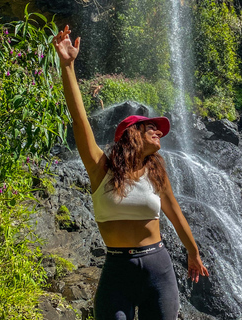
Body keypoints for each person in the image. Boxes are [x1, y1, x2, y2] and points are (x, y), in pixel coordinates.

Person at [53, 25, 209, 320]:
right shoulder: (101, 169)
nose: (158, 132)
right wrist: (68, 65)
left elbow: (175, 215)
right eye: (150, 127)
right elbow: (78, 119)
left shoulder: (157, 173)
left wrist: (194, 253)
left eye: (159, 129)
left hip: (159, 271)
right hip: (117, 274)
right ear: (131, 134)